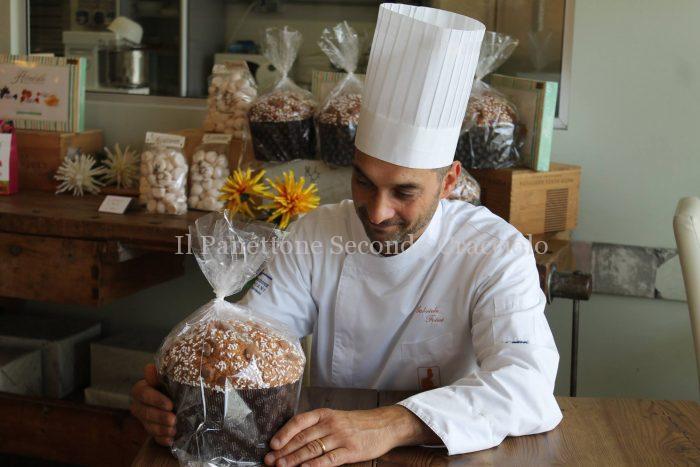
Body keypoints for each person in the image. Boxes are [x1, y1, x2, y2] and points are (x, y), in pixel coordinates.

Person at [131, 4, 563, 467]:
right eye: (364, 182)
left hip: (445, 454)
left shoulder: (495, 251)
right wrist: (181, 395)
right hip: (322, 451)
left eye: (404, 191)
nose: (377, 211)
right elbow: (250, 344)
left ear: (450, 181)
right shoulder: (315, 233)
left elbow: (528, 386)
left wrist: (391, 423)